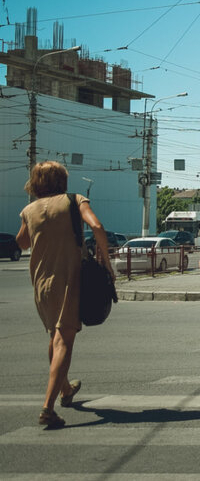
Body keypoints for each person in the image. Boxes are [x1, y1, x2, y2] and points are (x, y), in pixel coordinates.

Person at [17, 161, 114, 430]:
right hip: (69, 279)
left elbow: (22, 242)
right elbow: (97, 226)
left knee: (54, 335)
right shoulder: (75, 200)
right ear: (62, 180)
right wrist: (105, 259)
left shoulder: (28, 209)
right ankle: (48, 407)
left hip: (40, 281)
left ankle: (66, 389)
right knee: (64, 341)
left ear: (36, 182)